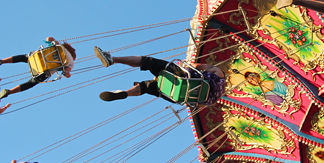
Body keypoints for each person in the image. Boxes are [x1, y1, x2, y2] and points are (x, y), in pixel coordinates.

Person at [94, 46, 226, 105]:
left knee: (147, 62)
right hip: (176, 96)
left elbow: (196, 66)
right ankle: (126, 93)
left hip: (182, 77)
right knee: (147, 87)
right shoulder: (214, 99)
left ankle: (113, 59)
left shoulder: (218, 73)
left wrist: (182, 65)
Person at [0, 37, 76, 101]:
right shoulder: (71, 62)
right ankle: (9, 92)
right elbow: (67, 73)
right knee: (30, 83)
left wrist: (54, 42)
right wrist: (66, 74)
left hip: (36, 58)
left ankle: (1, 61)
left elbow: (48, 38)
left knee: (24, 57)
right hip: (44, 71)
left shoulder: (61, 46)